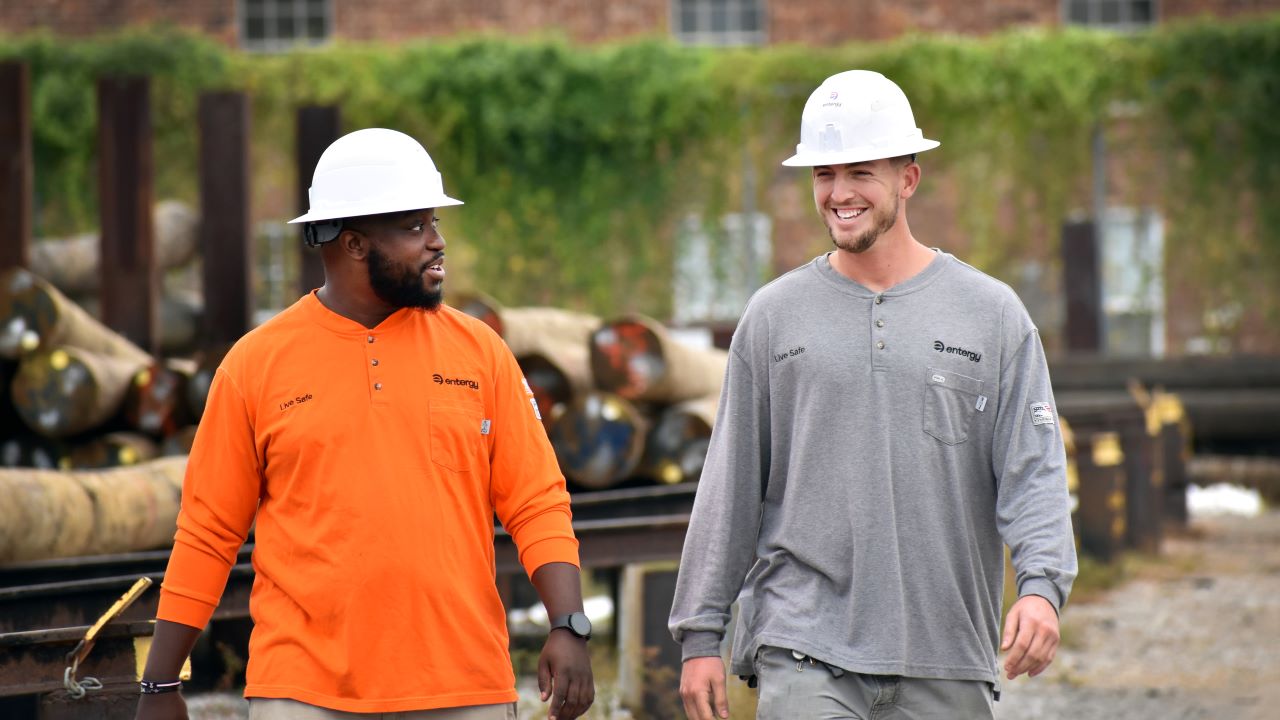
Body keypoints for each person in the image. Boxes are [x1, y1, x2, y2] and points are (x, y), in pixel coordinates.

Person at [136, 128, 594, 720]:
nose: (437, 243)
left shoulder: (481, 353)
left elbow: (537, 501)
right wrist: (159, 685)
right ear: (352, 244)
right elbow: (207, 532)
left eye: (435, 224)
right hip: (302, 696)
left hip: (464, 689)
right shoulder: (255, 366)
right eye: (414, 227)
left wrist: (569, 624)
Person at [669, 70, 1078, 720]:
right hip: (804, 644)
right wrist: (700, 634)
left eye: (859, 172)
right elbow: (730, 486)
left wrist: (1041, 587)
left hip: (946, 652)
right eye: (823, 175)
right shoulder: (774, 318)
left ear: (907, 179)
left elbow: (1033, 471)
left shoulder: (991, 315)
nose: (838, 194)